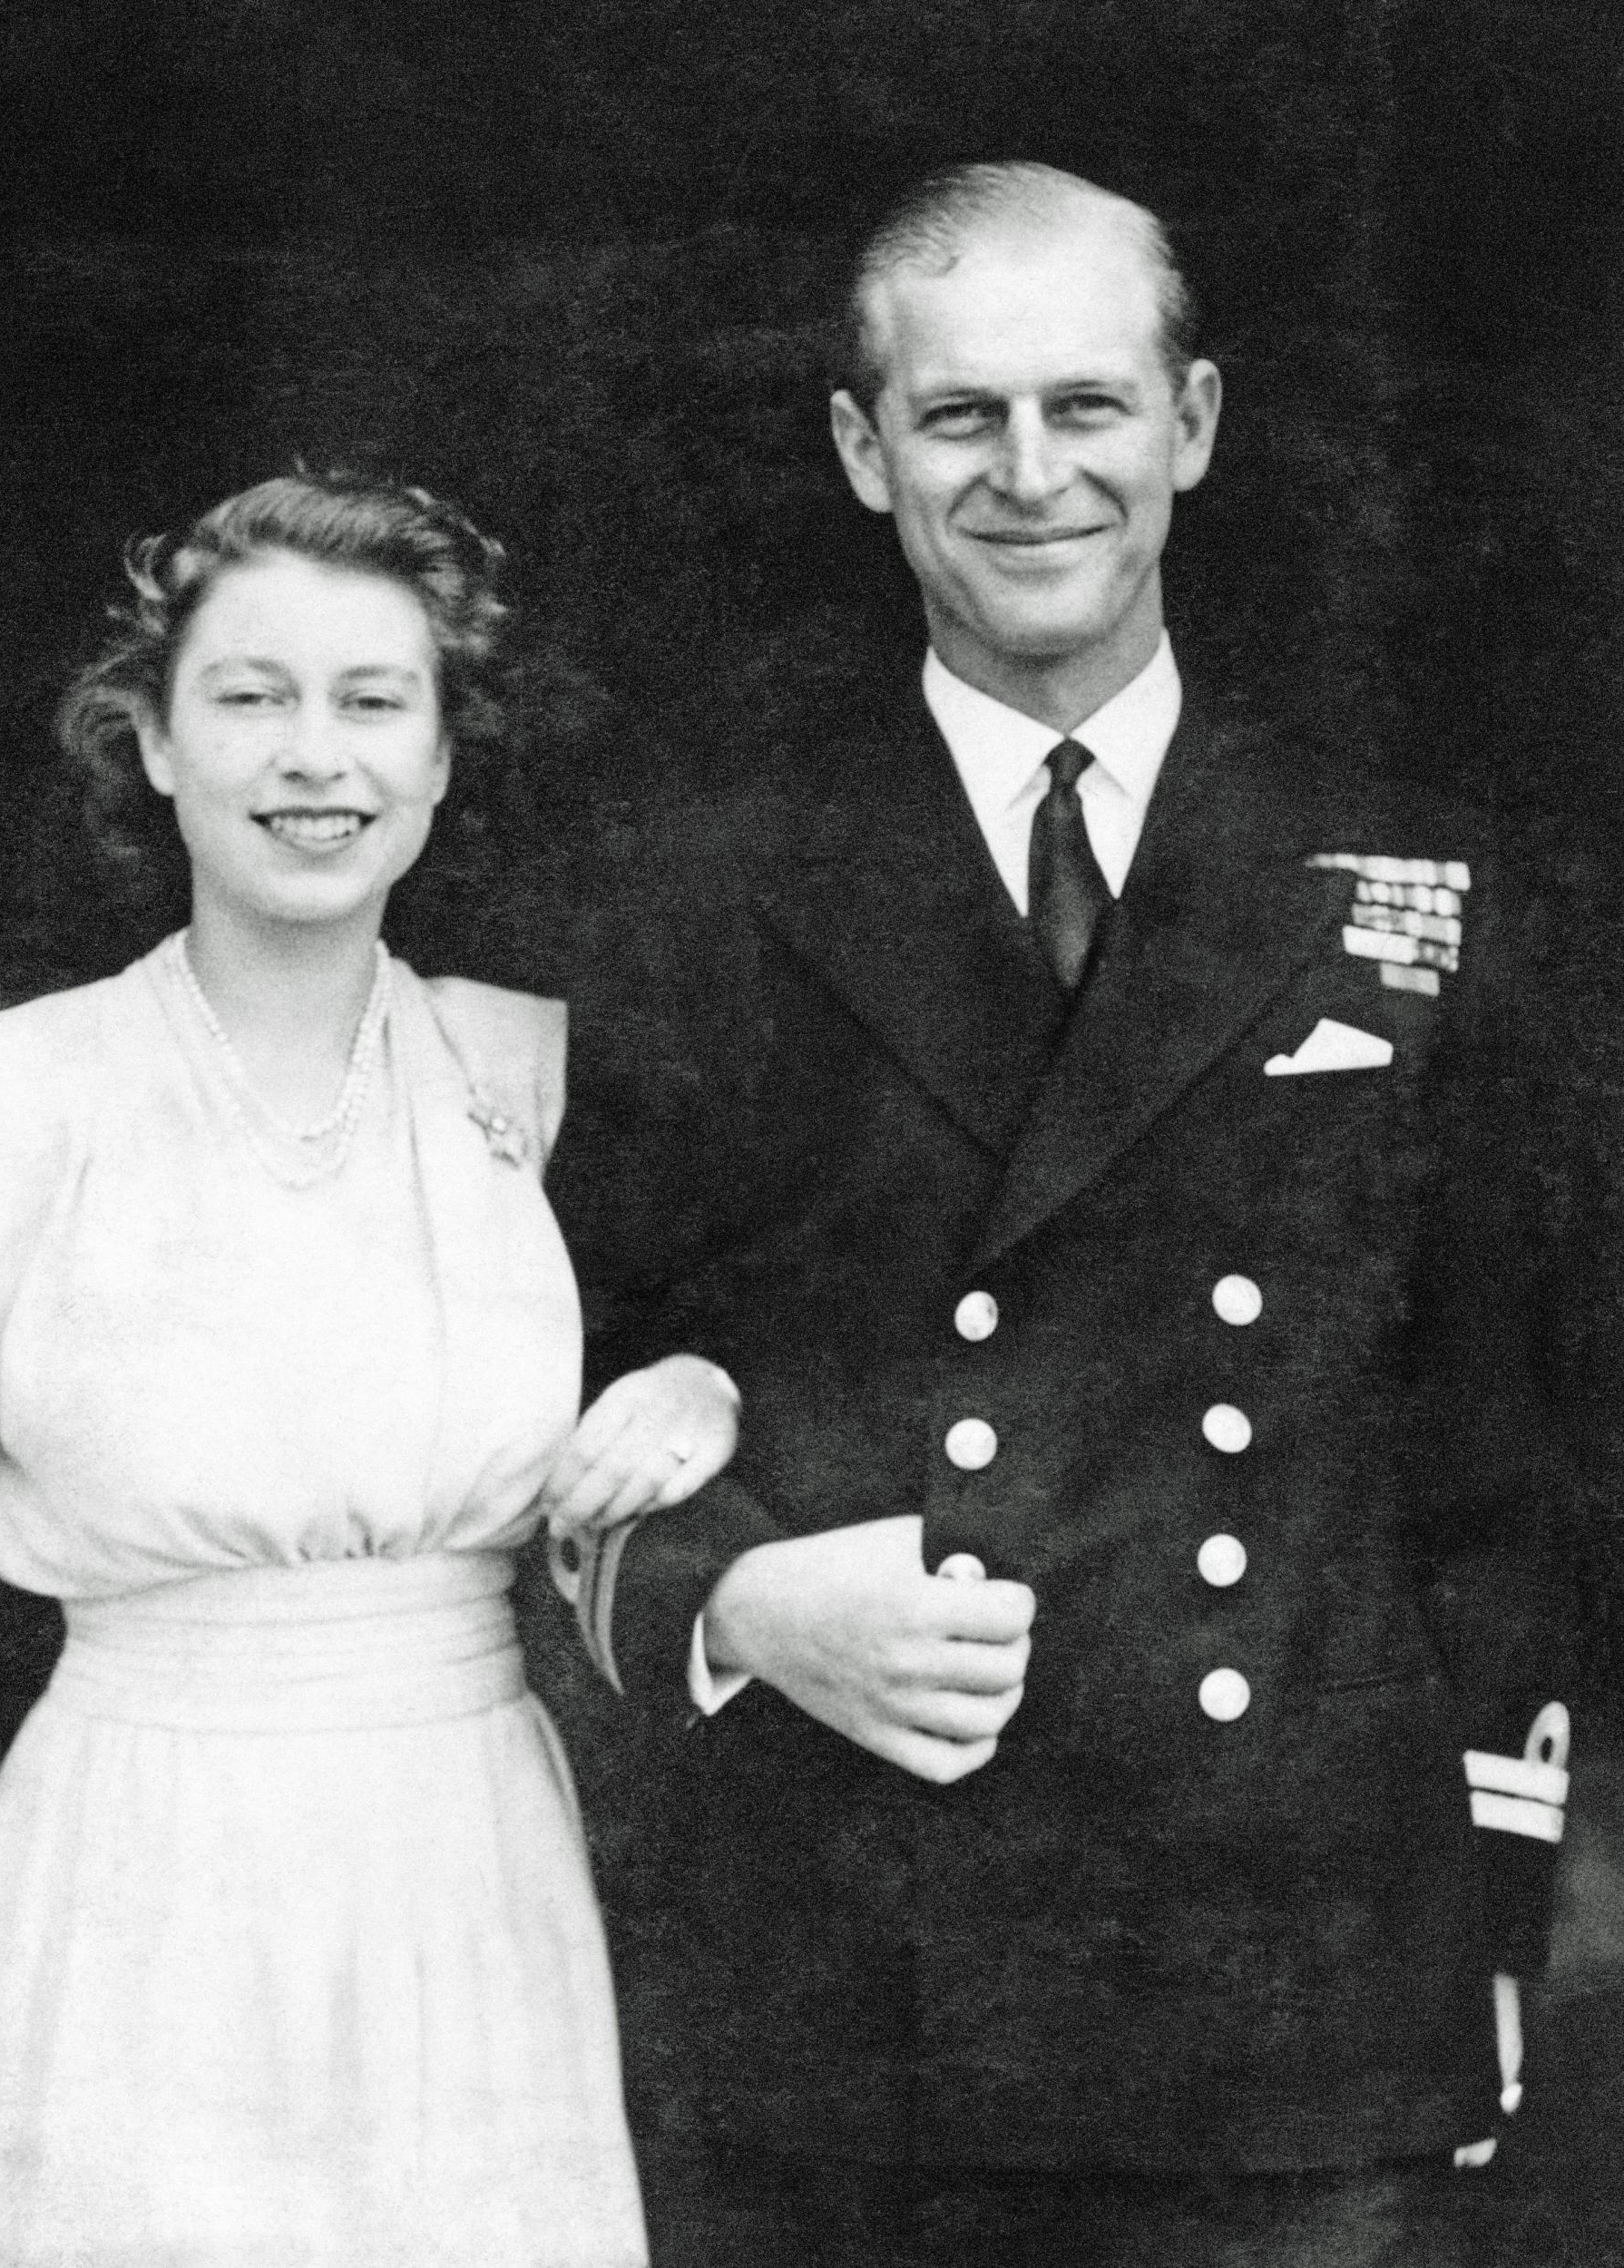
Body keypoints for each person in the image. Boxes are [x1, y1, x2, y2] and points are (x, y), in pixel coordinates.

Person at [550, 163, 1576, 2267]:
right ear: (863, 451)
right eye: (959, 416)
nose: (1030, 476)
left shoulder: (1410, 877)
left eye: (1086, 408)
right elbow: (550, 1364)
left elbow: (1506, 1454)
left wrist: (1486, 1913)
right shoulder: (703, 880)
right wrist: (728, 1610)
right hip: (843, 1984)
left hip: (1290, 1980)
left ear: (1187, 426)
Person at [0, 471, 740, 2268]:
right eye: (250, 696)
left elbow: (755, 1322)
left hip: (473, 1880)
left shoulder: (520, 1078)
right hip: (122, 1873)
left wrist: (697, 1386)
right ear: (149, 739)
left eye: (374, 701)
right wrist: (50, 1903)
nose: (319, 756)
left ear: (446, 755)